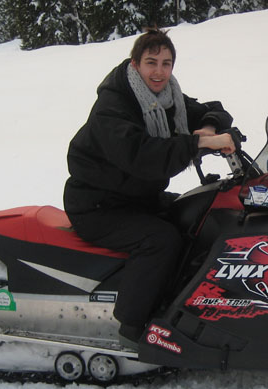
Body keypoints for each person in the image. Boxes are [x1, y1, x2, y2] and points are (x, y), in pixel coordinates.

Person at [63, 28, 235, 349]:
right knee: (161, 240)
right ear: (135, 64)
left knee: (195, 217)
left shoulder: (168, 98)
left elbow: (212, 110)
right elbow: (142, 156)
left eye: (166, 63)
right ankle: (134, 326)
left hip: (136, 197)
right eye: (151, 62)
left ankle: (179, 305)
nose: (159, 71)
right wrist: (198, 143)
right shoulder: (114, 105)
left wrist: (209, 128)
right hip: (97, 205)